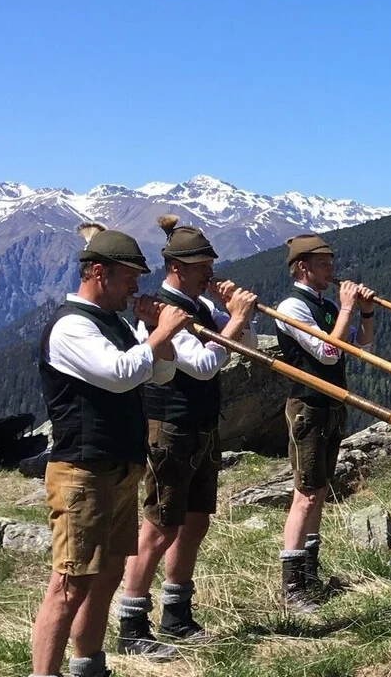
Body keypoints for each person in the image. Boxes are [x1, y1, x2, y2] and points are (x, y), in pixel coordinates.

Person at [31, 226, 190, 677]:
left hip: (119, 467)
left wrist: (158, 335)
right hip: (82, 471)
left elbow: (155, 376)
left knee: (106, 574)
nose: (135, 286)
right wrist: (160, 334)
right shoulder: (71, 326)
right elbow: (119, 373)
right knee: (68, 583)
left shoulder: (115, 322)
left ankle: (88, 664)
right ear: (98, 273)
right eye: (128, 277)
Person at [114, 215, 256, 657]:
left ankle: (177, 614)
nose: (209, 272)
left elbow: (242, 344)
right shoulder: (161, 312)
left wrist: (237, 317)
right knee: (159, 525)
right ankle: (132, 622)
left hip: (201, 425)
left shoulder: (200, 308)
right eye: (201, 266)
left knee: (195, 520)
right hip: (170, 427)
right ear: (177, 267)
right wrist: (235, 318)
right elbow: (204, 364)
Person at [267, 233, 373, 612]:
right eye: (324, 264)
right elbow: (328, 352)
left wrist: (364, 312)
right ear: (303, 268)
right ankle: (292, 587)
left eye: (331, 262)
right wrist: (346, 309)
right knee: (305, 492)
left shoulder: (323, 304)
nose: (331, 270)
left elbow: (360, 345)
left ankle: (310, 576)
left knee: (321, 488)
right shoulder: (291, 307)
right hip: (308, 405)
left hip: (332, 403)